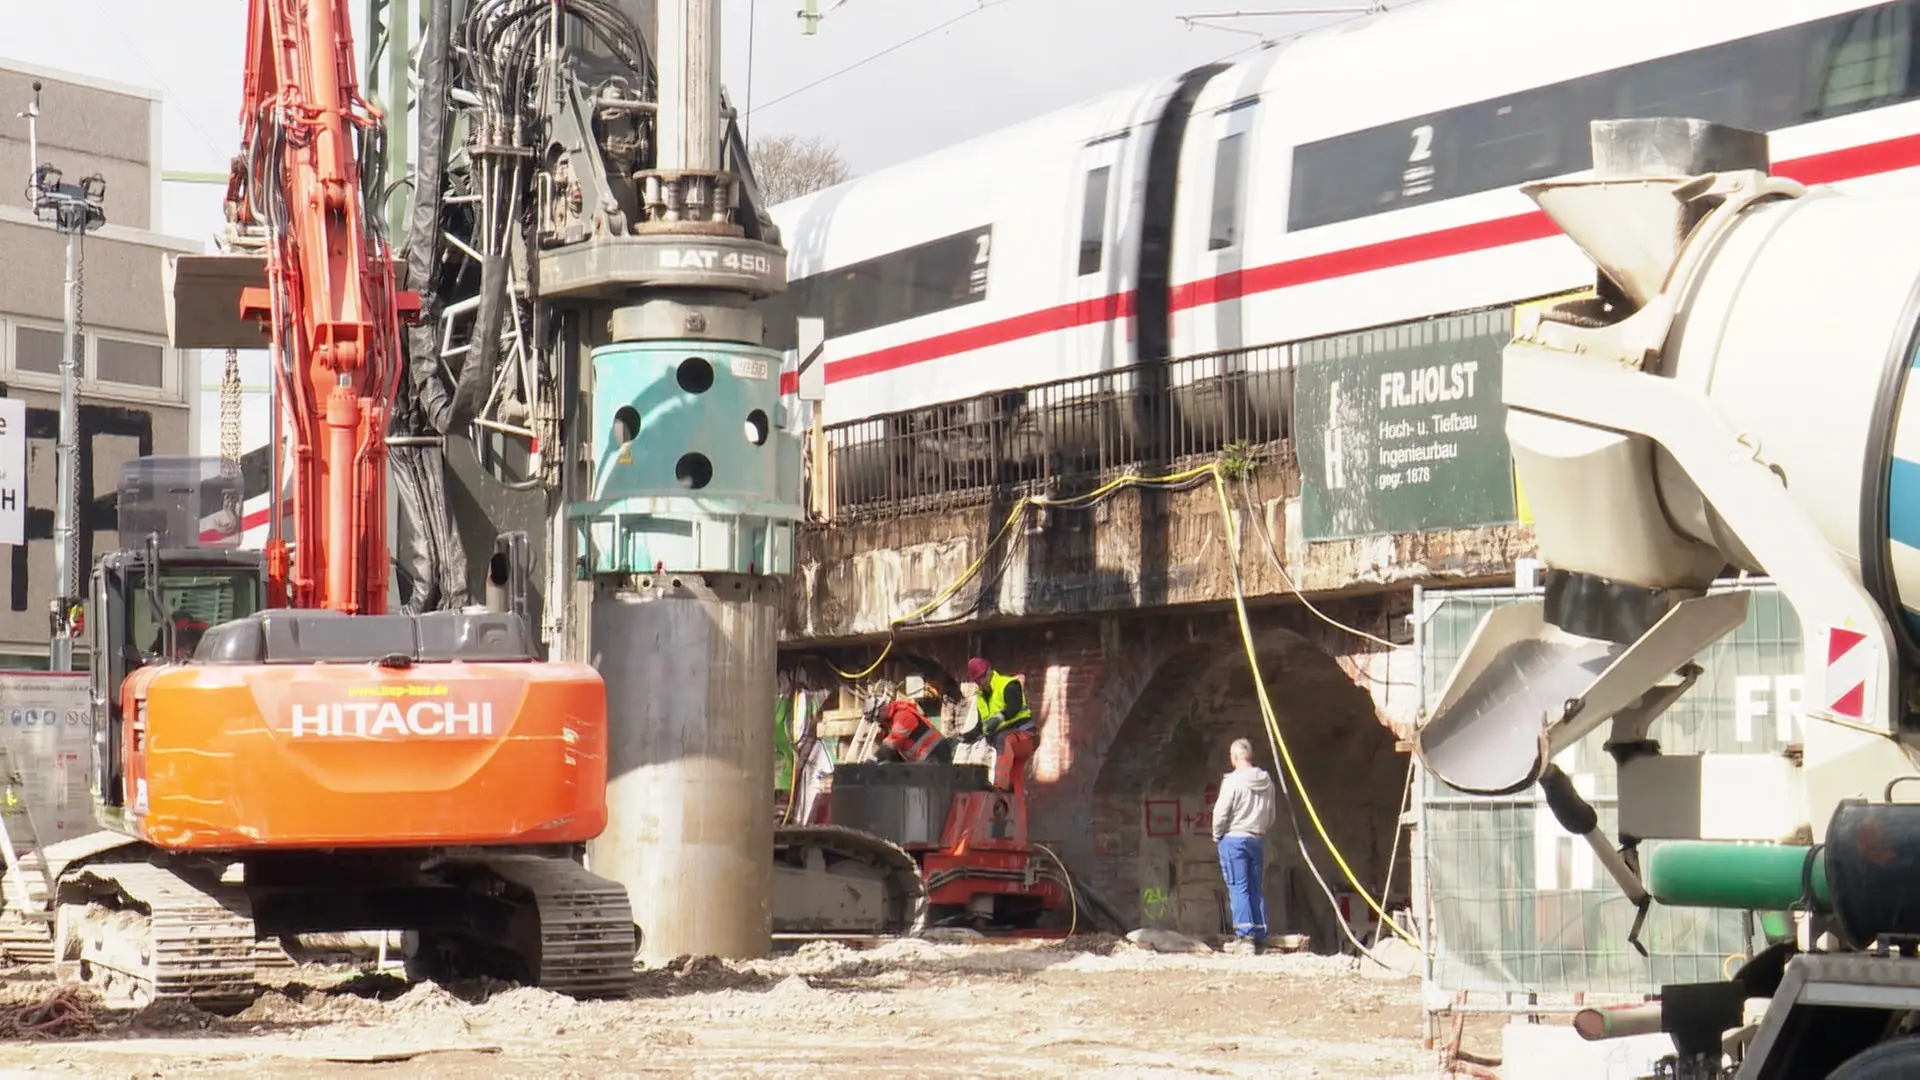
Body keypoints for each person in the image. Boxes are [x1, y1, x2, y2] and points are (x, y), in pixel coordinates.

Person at [1211, 737, 1277, 955]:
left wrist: (1217, 834)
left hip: (1234, 839)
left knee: (1238, 887)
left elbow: (1221, 812)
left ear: (1234, 757)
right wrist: (1260, 830)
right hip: (1256, 839)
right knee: (1255, 887)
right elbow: (1271, 814)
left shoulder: (1233, 781)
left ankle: (1244, 937)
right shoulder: (1266, 781)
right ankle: (1259, 936)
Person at [960, 656, 1037, 791]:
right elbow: (980, 728)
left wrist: (999, 718)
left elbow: (1015, 706)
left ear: (989, 671)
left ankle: (999, 788)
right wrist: (963, 738)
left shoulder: (1009, 684)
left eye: (982, 677)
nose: (980, 682)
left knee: (1004, 740)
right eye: (977, 680)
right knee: (1015, 779)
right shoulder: (980, 698)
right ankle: (1014, 807)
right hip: (1010, 746)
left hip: (1026, 735)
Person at [873, 675, 953, 764]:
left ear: (882, 709)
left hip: (934, 752)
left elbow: (893, 743)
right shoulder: (891, 722)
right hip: (926, 755)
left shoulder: (902, 715)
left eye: (877, 717)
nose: (877, 721)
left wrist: (875, 758)